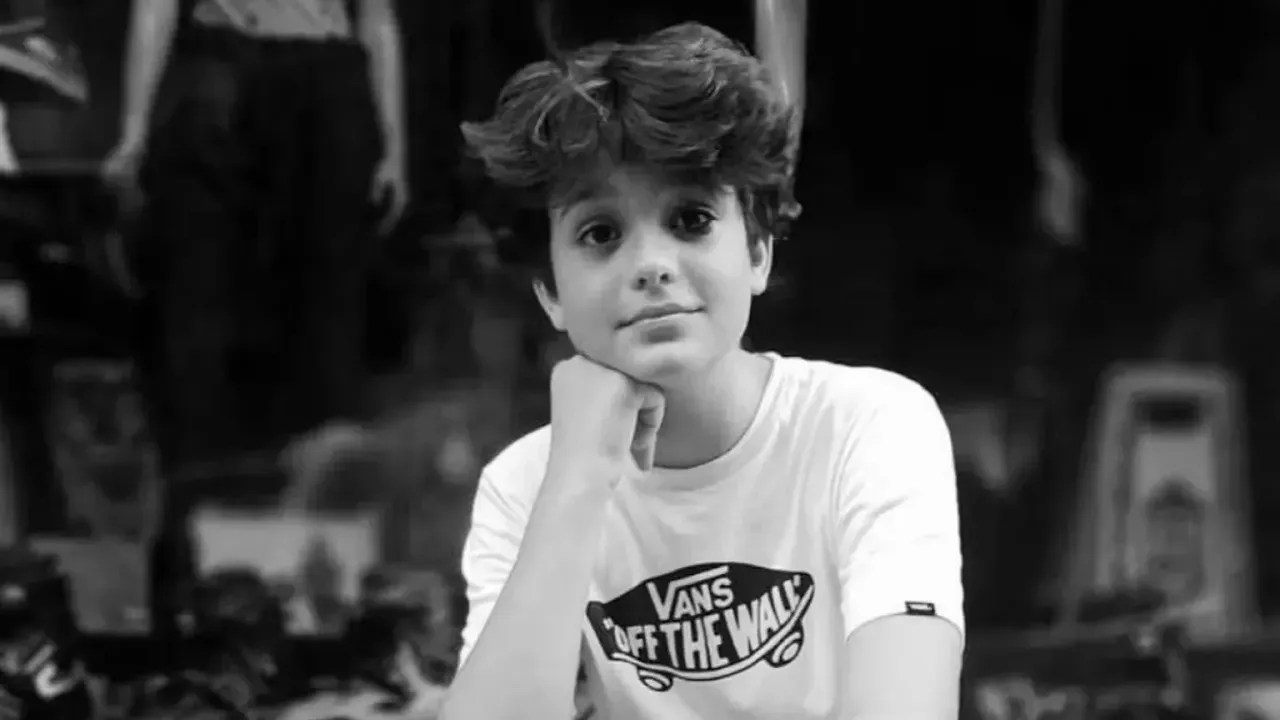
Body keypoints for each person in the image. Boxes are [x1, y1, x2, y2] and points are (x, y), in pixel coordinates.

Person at [443, 21, 964, 720]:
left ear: (758, 252)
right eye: (601, 234)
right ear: (551, 294)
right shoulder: (523, 486)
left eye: (690, 219)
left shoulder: (867, 426)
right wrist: (577, 478)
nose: (651, 264)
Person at [100, 0, 407, 473]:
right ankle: (198, 481)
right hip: (223, 65)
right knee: (198, 294)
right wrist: (133, 131)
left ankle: (316, 482)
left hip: (325, 78)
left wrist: (394, 150)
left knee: (326, 298)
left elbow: (378, 17)